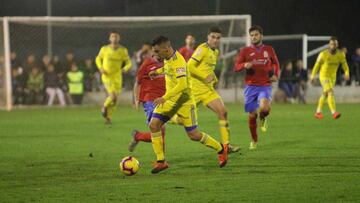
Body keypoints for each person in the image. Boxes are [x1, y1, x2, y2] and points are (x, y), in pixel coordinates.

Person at [148, 36, 228, 174]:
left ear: (166, 49)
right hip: (170, 101)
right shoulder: (168, 59)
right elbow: (168, 69)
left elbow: (182, 84)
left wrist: (164, 97)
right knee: (153, 125)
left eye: (156, 51)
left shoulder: (178, 61)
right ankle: (161, 161)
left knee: (194, 135)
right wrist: (158, 72)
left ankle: (220, 149)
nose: (155, 55)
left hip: (184, 103)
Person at [187, 27, 240, 153]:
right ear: (208, 37)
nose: (215, 40)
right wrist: (204, 77)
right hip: (194, 91)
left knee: (223, 112)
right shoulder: (202, 49)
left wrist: (214, 78)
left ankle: (226, 147)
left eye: (218, 38)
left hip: (208, 91)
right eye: (213, 37)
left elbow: (208, 69)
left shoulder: (215, 52)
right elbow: (189, 66)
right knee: (180, 121)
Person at [234, 25, 280, 150]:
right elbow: (236, 67)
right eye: (252, 35)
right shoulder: (245, 51)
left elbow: (276, 63)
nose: (254, 37)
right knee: (252, 115)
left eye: (256, 35)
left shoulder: (269, 49)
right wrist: (244, 65)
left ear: (261, 36)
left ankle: (264, 117)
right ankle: (254, 140)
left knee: (264, 108)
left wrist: (275, 74)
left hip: (264, 85)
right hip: (250, 87)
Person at [128, 48, 166, 152]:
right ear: (153, 51)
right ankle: (161, 160)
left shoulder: (167, 63)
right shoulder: (147, 64)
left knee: (160, 132)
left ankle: (138, 136)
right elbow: (137, 82)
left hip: (163, 100)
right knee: (158, 130)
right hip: (150, 100)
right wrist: (135, 99)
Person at [95, 31, 132, 124]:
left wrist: (125, 68)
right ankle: (104, 106)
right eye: (112, 36)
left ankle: (108, 117)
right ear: (110, 38)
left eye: (116, 36)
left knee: (115, 100)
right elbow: (98, 59)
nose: (114, 38)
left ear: (119, 38)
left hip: (117, 77)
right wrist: (100, 68)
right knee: (113, 95)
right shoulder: (104, 49)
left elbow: (129, 62)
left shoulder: (123, 50)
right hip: (107, 76)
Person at [310, 36, 350, 119]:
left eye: (335, 44)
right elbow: (316, 66)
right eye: (332, 44)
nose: (333, 46)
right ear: (329, 45)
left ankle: (318, 112)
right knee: (330, 92)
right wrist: (312, 76)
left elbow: (345, 65)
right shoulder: (323, 54)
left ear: (337, 45)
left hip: (333, 77)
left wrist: (347, 73)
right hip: (323, 76)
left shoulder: (341, 54)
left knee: (325, 94)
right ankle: (334, 112)